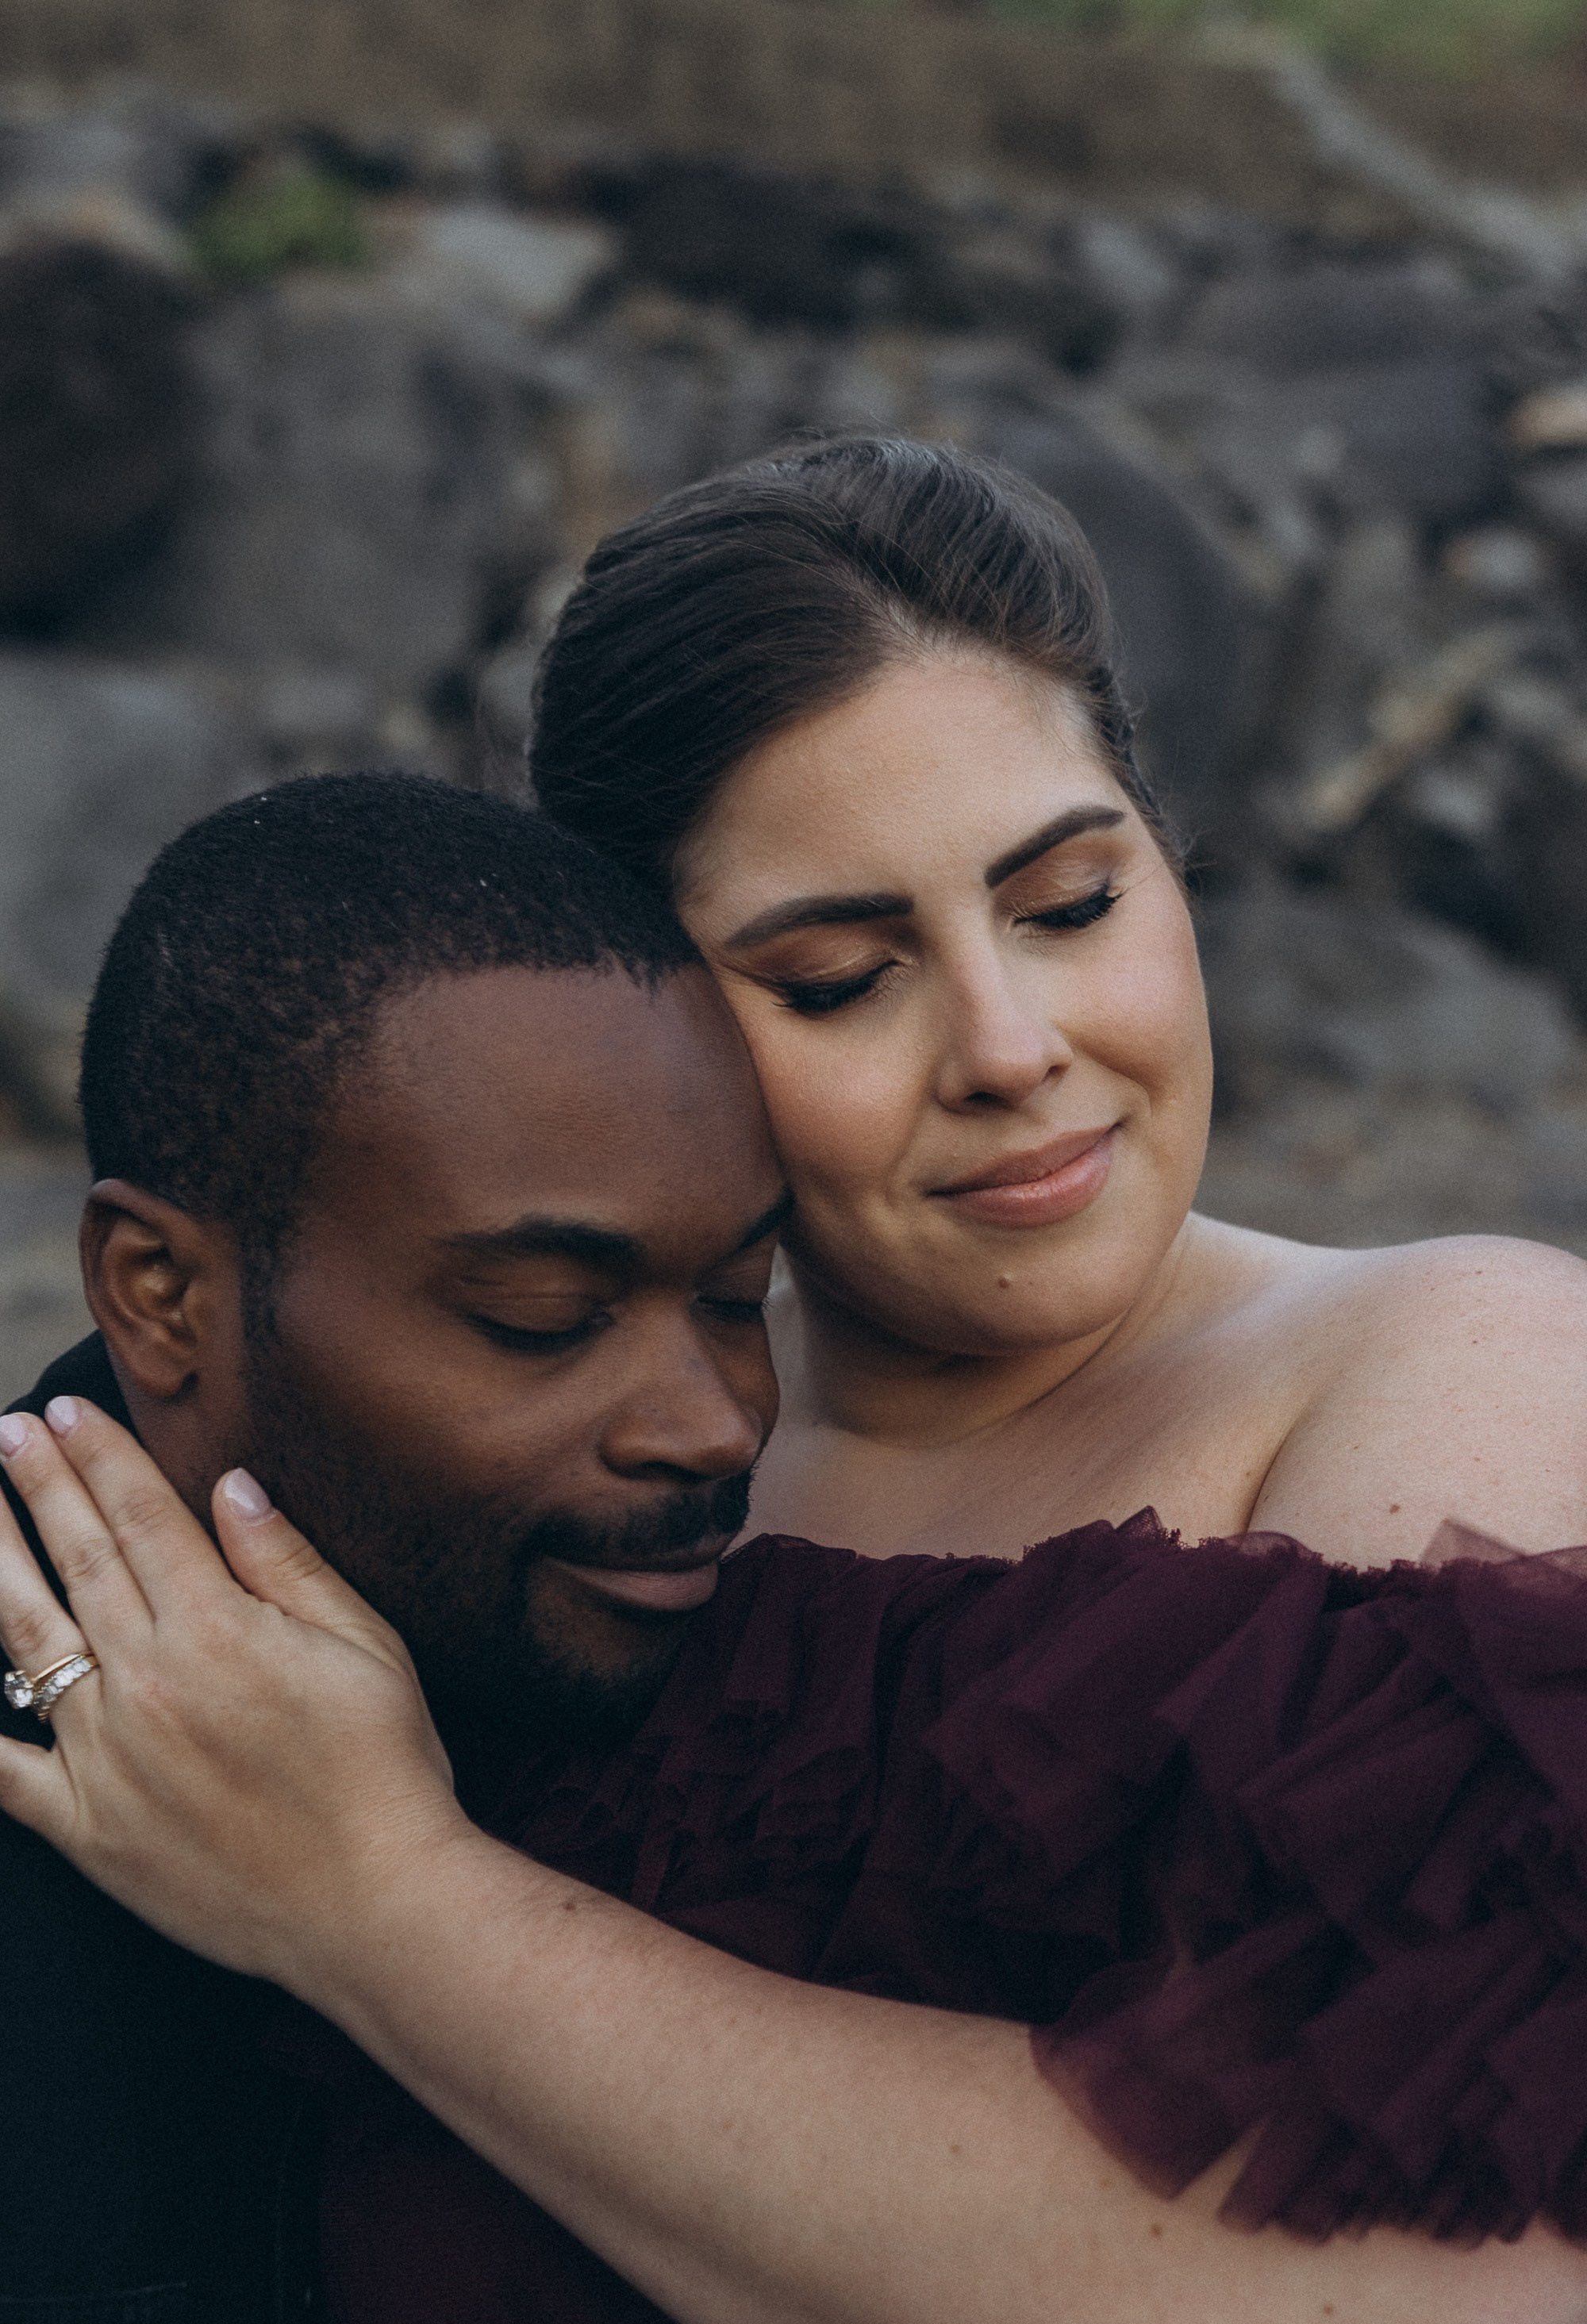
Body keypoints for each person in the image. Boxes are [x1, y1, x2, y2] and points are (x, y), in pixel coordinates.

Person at [5, 774, 1587, 2324]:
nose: (716, 1430)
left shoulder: (766, 1660)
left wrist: (381, 1897)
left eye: (740, 1297)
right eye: (542, 1318)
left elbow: (1330, 2313)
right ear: (157, 1294)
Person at [530, 433, 1587, 1573]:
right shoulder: (577, 1477)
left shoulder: (1467, 1362)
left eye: (1072, 907)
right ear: (647, 1019)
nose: (1010, 1049)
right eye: (839, 981)